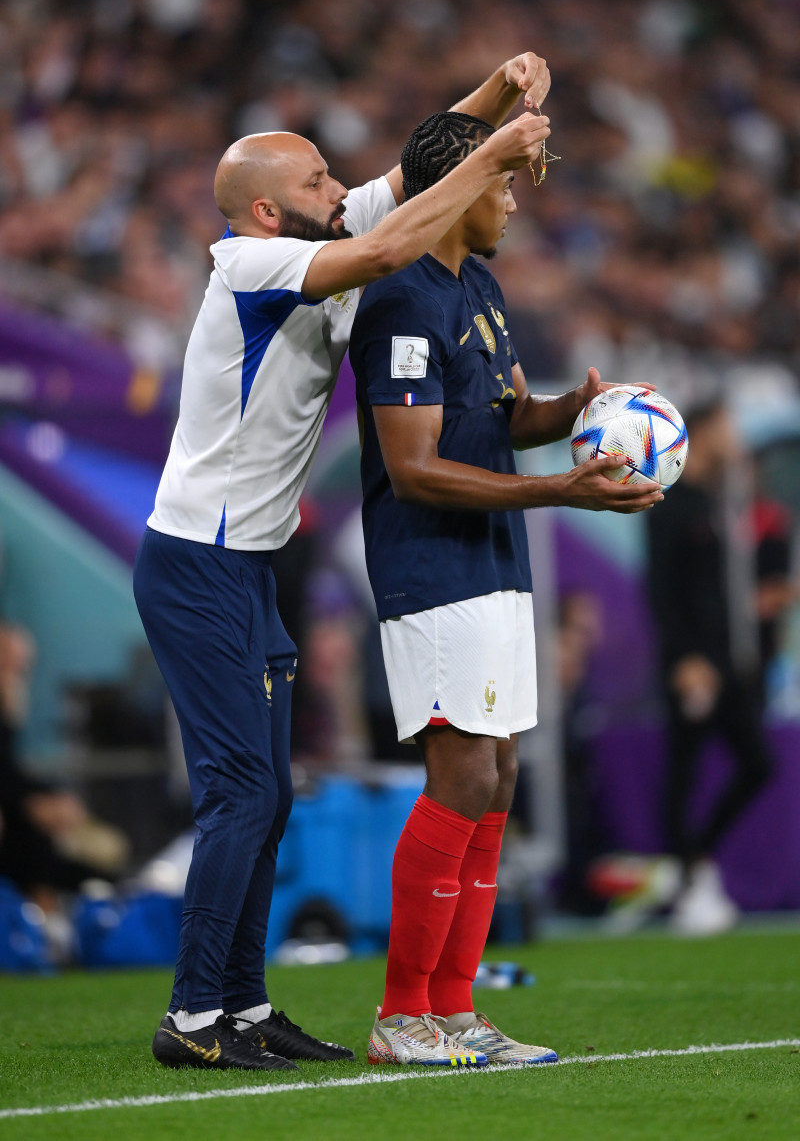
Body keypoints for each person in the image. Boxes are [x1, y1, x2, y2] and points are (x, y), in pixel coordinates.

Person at [133, 54, 555, 1073]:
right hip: (197, 561)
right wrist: (490, 154)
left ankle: (242, 998)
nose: (344, 188)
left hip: (251, 564)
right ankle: (195, 1016)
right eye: (321, 181)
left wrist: (494, 96)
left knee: (270, 793)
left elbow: (420, 170)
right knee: (240, 790)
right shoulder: (248, 266)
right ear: (267, 213)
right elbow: (394, 241)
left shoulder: (310, 230)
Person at [348, 110, 663, 1068]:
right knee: (464, 773)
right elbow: (413, 466)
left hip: (492, 561)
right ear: (462, 184)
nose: (515, 200)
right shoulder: (401, 296)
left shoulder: (476, 285)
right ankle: (403, 1015)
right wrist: (561, 492)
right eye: (504, 182)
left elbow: (507, 411)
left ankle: (456, 1009)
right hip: (431, 561)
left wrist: (571, 413)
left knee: (501, 776)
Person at [647, 400, 776, 935]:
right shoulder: (670, 502)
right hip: (694, 664)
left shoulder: (720, 502)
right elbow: (662, 587)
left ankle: (693, 862)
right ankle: (688, 880)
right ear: (702, 431)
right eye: (727, 426)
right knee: (685, 770)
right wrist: (684, 657)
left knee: (757, 764)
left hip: (728, 662)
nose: (735, 436)